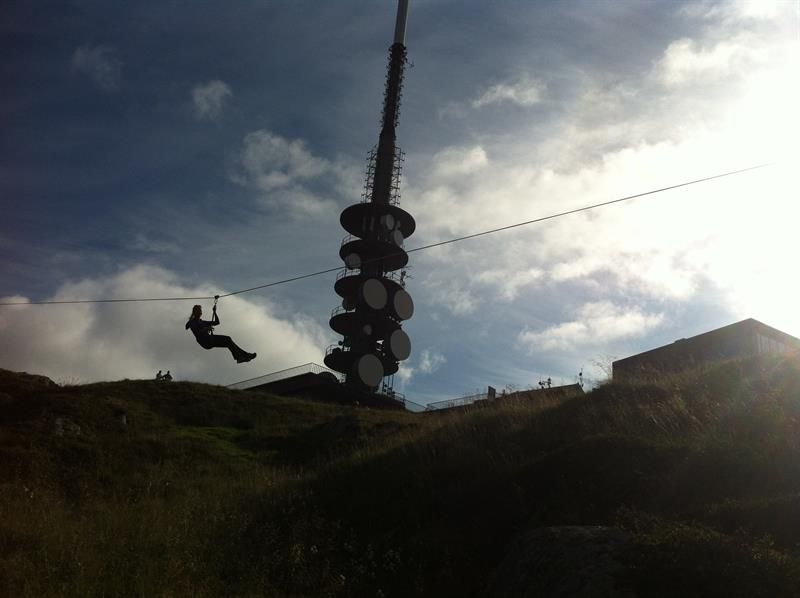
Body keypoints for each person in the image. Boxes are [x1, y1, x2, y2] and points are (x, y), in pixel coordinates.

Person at [185, 303, 256, 363]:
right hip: (205, 341)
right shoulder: (192, 322)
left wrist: (214, 312)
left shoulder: (202, 322)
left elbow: (217, 322)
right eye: (199, 311)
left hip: (209, 340)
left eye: (201, 311)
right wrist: (206, 328)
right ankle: (240, 357)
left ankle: (243, 356)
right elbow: (197, 332)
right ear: (195, 312)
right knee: (227, 339)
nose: (201, 313)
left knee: (229, 342)